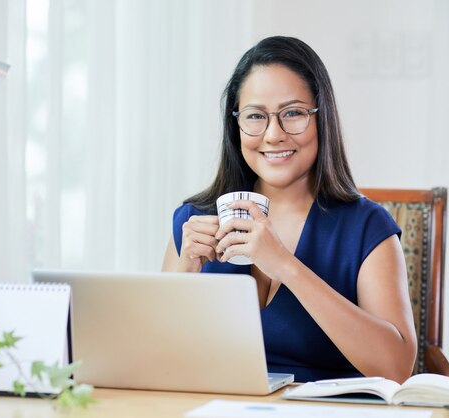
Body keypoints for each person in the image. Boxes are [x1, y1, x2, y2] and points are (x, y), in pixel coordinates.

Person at [161, 36, 417, 383]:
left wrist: (285, 264)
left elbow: (396, 367)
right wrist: (185, 274)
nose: (273, 135)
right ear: (235, 125)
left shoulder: (366, 227)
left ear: (321, 118)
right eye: (255, 116)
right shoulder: (193, 221)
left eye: (293, 113)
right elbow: (159, 357)